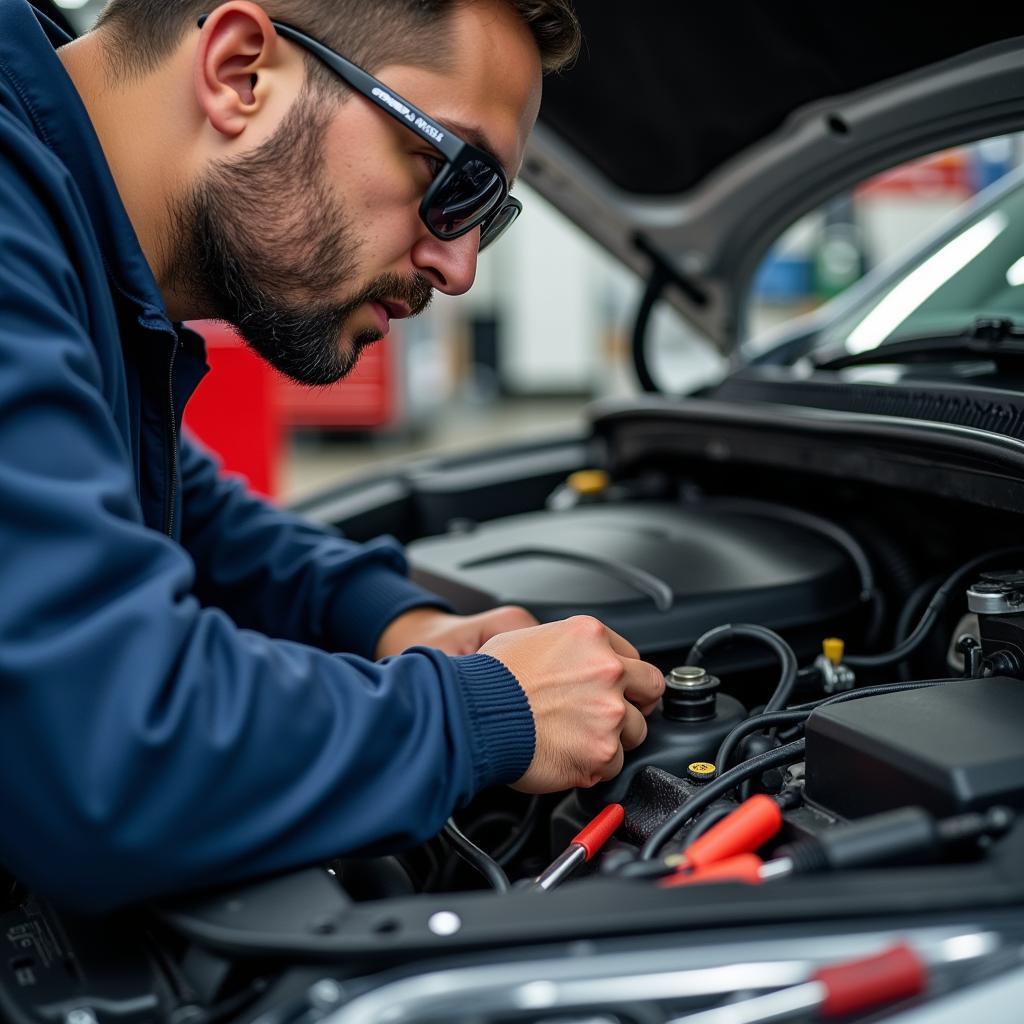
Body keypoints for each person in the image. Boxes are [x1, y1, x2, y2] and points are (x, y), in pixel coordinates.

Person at [0, 0, 664, 913]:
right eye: (451, 175)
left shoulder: (62, 220)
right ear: (241, 72)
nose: (459, 266)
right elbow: (111, 758)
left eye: (487, 213)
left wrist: (401, 626)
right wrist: (484, 713)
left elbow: (188, 510)